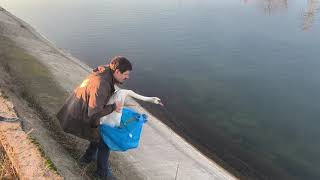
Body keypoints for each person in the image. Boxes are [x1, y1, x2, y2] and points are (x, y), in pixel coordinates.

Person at [57, 56, 132, 179]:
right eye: (126, 74)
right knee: (105, 141)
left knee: (98, 134)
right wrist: (113, 107)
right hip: (81, 113)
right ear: (117, 71)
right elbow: (94, 114)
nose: (127, 77)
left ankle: (87, 157)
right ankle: (101, 173)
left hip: (79, 106)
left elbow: (102, 69)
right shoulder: (102, 85)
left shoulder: (108, 70)